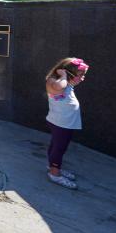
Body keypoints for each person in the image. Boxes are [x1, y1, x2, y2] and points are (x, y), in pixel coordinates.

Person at [45, 57, 89, 189]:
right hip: (61, 123)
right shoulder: (54, 82)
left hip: (65, 123)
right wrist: (63, 76)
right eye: (80, 75)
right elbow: (59, 87)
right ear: (67, 72)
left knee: (56, 146)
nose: (82, 78)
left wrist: (68, 79)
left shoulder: (67, 84)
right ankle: (55, 173)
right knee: (59, 148)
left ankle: (52, 165)